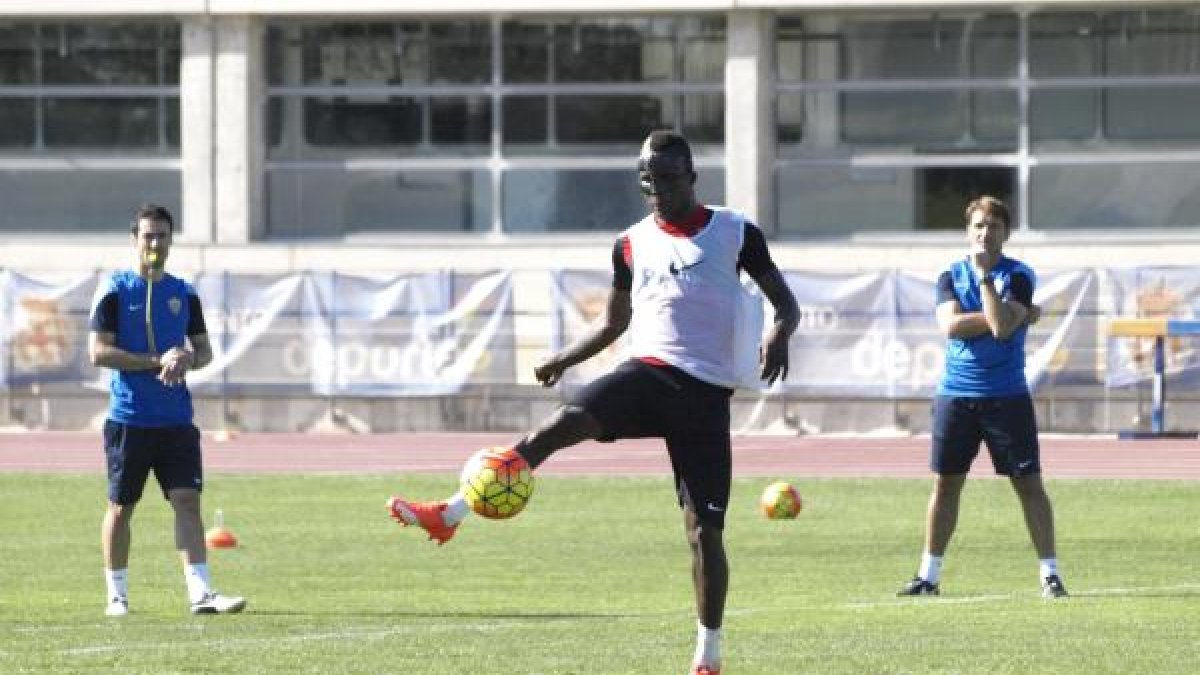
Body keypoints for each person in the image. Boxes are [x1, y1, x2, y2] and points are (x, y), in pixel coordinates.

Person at [387, 130, 799, 675]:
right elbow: (615, 323)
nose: (659, 191)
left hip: (704, 396)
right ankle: (451, 511)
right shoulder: (630, 243)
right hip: (649, 373)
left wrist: (779, 332)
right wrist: (564, 359)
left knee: (705, 532)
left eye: (669, 179)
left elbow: (786, 304)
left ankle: (708, 657)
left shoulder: (736, 231)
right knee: (562, 424)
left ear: (692, 176)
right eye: (649, 182)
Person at [897, 195, 1067, 600]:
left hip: (1006, 395)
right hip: (955, 394)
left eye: (993, 226)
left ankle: (1050, 574)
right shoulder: (949, 275)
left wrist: (990, 285)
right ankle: (928, 576)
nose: (985, 233)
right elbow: (952, 326)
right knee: (945, 484)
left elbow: (1002, 329)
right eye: (978, 226)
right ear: (967, 232)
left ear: (1005, 233)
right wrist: (1011, 315)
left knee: (1028, 484)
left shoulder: (1020, 275)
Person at [88, 204, 246, 617]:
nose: (154, 243)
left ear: (171, 241)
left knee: (187, 501)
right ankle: (117, 595)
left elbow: (206, 352)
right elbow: (98, 352)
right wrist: (157, 359)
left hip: (176, 420)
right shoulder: (115, 290)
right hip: (130, 418)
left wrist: (184, 358)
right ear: (134, 241)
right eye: (147, 236)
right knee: (121, 508)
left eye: (161, 236)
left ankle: (201, 594)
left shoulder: (184, 293)